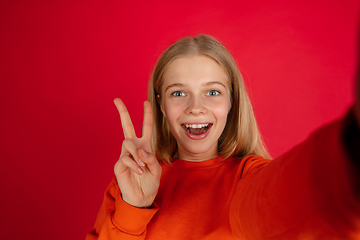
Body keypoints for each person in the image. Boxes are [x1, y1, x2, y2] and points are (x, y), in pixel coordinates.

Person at [86, 35, 360, 239]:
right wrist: (134, 206)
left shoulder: (249, 176)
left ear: (232, 101)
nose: (196, 106)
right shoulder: (127, 182)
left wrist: (351, 143)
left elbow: (296, 193)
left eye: (213, 92)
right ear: (161, 104)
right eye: (178, 93)